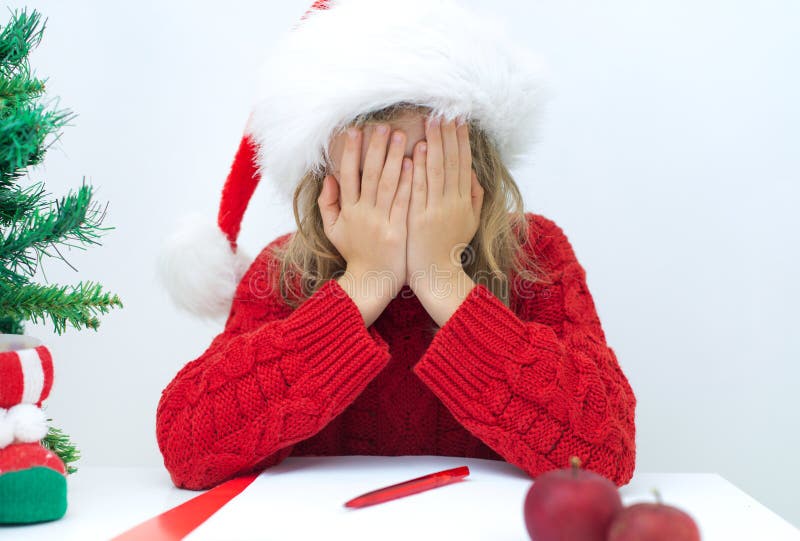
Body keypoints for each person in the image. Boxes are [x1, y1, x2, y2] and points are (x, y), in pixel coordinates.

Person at [156, 0, 637, 491]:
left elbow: (606, 454)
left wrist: (443, 280)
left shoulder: (535, 255)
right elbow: (187, 448)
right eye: (374, 175)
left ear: (479, 175)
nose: (401, 196)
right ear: (327, 183)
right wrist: (363, 283)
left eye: (430, 171)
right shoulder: (284, 271)